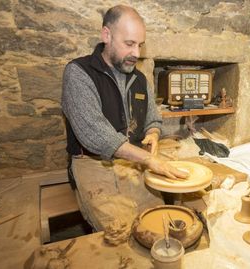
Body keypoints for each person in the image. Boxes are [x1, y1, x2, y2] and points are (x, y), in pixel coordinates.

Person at [61, 5, 187, 235]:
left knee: (158, 224)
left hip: (133, 161)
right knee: (122, 234)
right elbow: (94, 134)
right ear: (106, 35)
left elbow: (153, 118)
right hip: (93, 163)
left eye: (140, 45)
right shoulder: (79, 73)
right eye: (129, 44)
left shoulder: (139, 79)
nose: (136, 53)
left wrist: (153, 134)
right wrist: (148, 159)